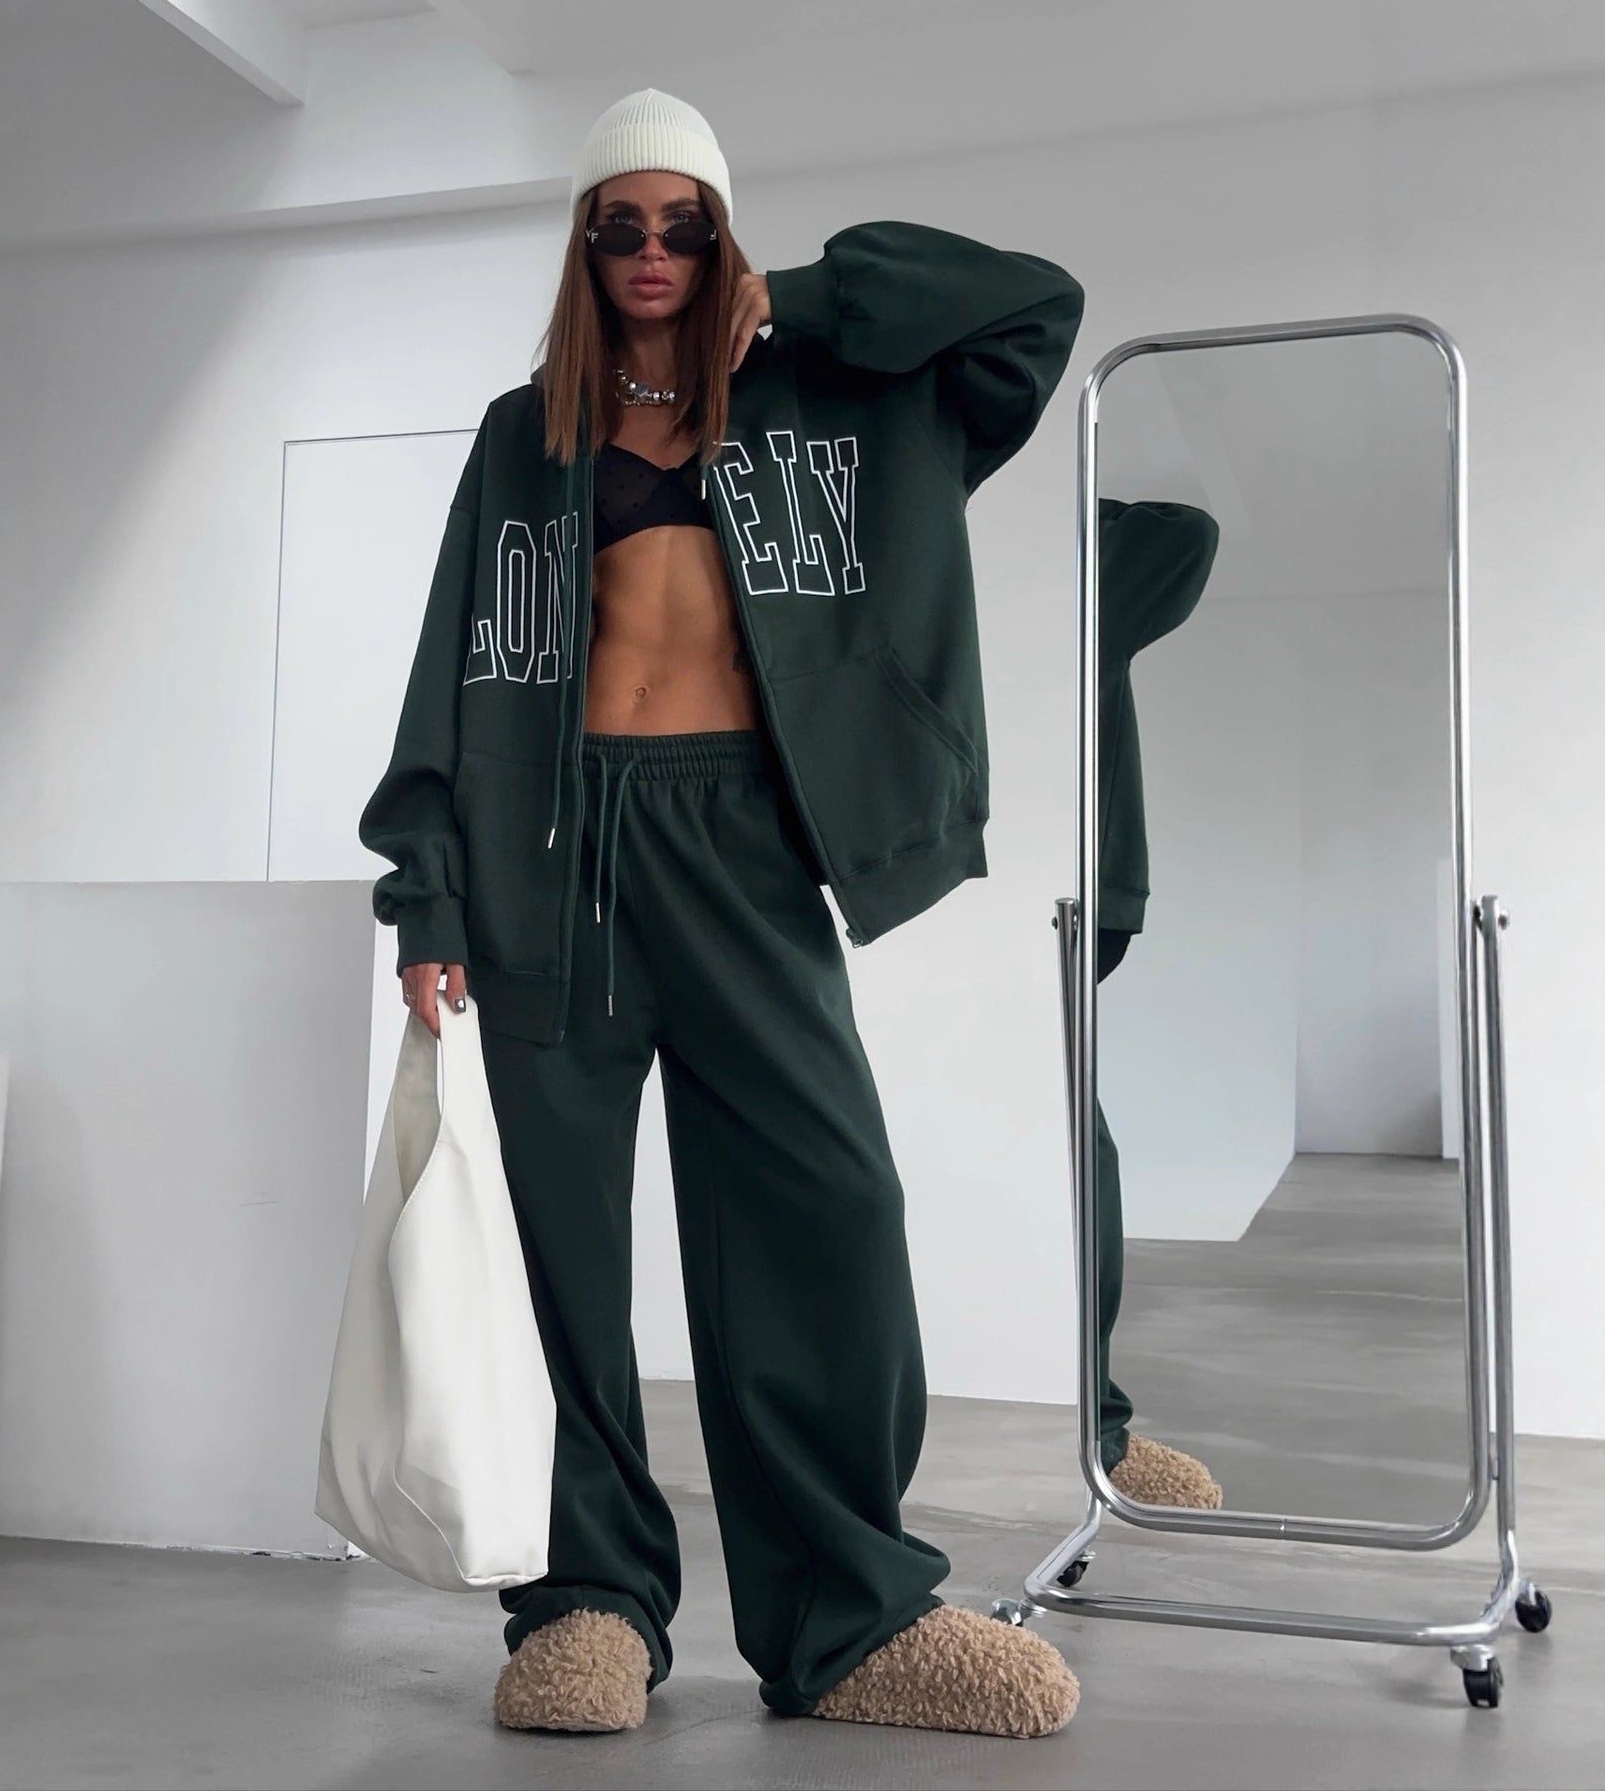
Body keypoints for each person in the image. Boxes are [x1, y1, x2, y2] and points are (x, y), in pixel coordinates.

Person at [358, 86, 1085, 1739]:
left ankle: (846, 1617)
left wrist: (798, 300)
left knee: (827, 1208)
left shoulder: (835, 397)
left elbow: (1030, 308)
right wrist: (428, 889)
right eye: (619, 224)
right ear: (582, 247)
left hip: (741, 842)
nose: (653, 251)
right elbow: (449, 664)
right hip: (552, 853)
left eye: (685, 224)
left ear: (721, 235)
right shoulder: (521, 435)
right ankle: (585, 1601)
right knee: (553, 1251)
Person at [1093, 497, 1225, 1509]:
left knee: (1075, 1148)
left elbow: (1185, 535)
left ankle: (1097, 1425)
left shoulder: (1081, 571)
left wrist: (1066, 499)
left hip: (1080, 891)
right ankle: (1096, 1426)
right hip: (947, 883)